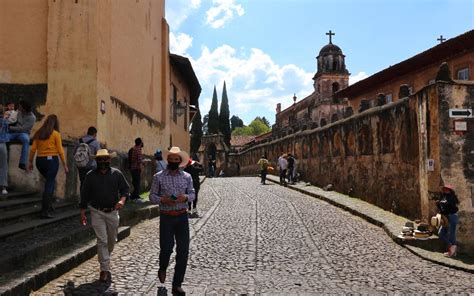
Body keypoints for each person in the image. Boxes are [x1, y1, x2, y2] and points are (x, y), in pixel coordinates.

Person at [149, 146, 195, 296]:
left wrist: (186, 197)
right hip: (166, 217)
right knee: (167, 248)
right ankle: (163, 267)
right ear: (167, 160)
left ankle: (177, 285)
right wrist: (163, 199)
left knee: (183, 251)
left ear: (180, 161)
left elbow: (192, 193)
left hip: (182, 217)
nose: (174, 161)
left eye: (177, 159)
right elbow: (152, 196)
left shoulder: (187, 177)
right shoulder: (158, 177)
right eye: (171, 159)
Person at [79, 149, 129, 283]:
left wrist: (122, 201)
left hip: (112, 212)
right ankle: (104, 269)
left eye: (105, 159)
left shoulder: (117, 174)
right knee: (102, 241)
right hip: (97, 212)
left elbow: (125, 189)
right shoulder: (90, 176)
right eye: (100, 160)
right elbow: (85, 194)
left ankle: (106, 257)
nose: (102, 162)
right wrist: (82, 211)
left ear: (109, 160)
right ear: (96, 161)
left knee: (111, 241)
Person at [28, 114, 69, 218]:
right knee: (50, 184)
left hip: (40, 161)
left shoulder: (39, 133)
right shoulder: (56, 134)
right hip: (51, 161)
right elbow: (60, 150)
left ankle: (49, 205)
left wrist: (30, 162)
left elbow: (33, 150)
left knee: (49, 182)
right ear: (56, 123)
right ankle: (44, 211)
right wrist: (65, 164)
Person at [9, 100, 36, 170]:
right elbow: (11, 120)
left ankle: (22, 163)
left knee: (26, 139)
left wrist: (10, 127)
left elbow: (23, 129)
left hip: (23, 133)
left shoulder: (32, 118)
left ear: (24, 108)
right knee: (3, 137)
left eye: (20, 106)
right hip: (13, 132)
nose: (18, 107)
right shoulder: (18, 112)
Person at [436, 184, 460, 257]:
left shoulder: (452, 198)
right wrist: (438, 204)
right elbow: (442, 209)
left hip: (451, 217)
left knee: (451, 235)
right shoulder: (444, 197)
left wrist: (446, 204)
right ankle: (452, 247)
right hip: (445, 217)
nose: (445, 190)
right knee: (441, 234)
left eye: (447, 189)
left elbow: (454, 208)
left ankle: (452, 251)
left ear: (450, 190)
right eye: (444, 189)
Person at [129, 138, 144, 202]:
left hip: (132, 168)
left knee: (135, 182)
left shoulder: (134, 148)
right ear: (140, 143)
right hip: (136, 168)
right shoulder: (138, 149)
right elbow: (139, 160)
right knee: (137, 183)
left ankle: (134, 196)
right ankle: (134, 197)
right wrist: (143, 166)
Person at [0, 116, 9, 194]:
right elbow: (7, 130)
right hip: (2, 143)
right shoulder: (5, 121)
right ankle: (3, 188)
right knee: (3, 166)